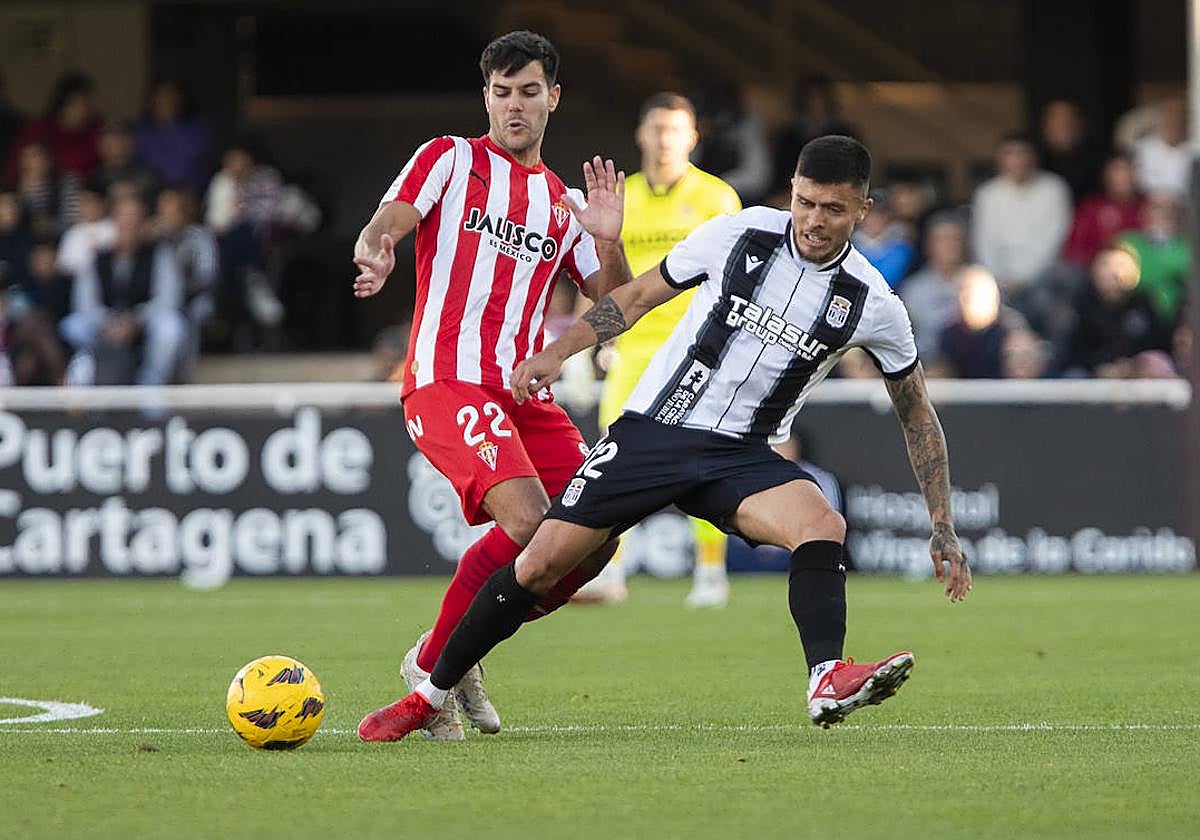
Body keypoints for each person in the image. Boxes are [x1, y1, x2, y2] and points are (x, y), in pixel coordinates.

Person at [358, 135, 972, 742]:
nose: (813, 220)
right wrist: (558, 351)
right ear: (791, 190)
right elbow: (635, 297)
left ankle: (826, 677)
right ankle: (429, 693)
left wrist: (941, 523)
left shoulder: (873, 302)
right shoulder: (742, 233)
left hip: (741, 457)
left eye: (833, 209)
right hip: (654, 433)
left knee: (822, 523)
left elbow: (917, 414)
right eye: (805, 202)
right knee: (539, 563)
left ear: (862, 209)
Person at [350, 31, 630, 741]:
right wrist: (376, 250)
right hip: (447, 381)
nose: (514, 106)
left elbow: (616, 307)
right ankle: (438, 668)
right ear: (486, 97)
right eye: (502, 92)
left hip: (525, 394)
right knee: (535, 526)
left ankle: (447, 649)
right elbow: (388, 222)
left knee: (596, 540)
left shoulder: (564, 203)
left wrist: (606, 240)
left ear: (552, 98)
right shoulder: (449, 159)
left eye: (528, 92)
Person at [590, 91, 741, 607]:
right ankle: (611, 571)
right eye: (656, 128)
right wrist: (592, 341)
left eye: (674, 130)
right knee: (612, 456)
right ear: (640, 134)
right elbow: (600, 274)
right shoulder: (622, 197)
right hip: (634, 349)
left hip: (696, 349)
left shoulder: (717, 198)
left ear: (692, 138)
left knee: (703, 457)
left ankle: (711, 572)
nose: (664, 139)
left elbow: (733, 280)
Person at [59, 194, 186, 386]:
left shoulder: (159, 253)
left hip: (144, 324)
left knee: (171, 326)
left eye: (134, 219)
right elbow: (84, 302)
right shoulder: (98, 255)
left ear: (144, 224)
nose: (128, 224)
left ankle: (151, 385)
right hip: (106, 325)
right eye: (123, 218)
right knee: (72, 326)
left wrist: (136, 320)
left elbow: (168, 299)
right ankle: (87, 375)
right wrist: (108, 322)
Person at [970, 133, 1072, 331]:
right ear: (1000, 159)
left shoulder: (1054, 189)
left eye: (1022, 153)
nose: (1017, 160)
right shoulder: (987, 194)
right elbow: (983, 243)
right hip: (997, 280)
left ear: (1034, 157)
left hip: (1044, 277)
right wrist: (998, 278)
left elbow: (1054, 240)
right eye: (1010, 154)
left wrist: (1023, 278)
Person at [899, 212, 967, 361]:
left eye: (955, 239)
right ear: (929, 245)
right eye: (942, 239)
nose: (950, 245)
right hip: (927, 362)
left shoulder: (977, 283)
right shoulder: (913, 290)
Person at [1064, 152, 1143, 268]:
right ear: (1106, 175)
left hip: (1138, 270)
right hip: (1089, 269)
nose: (1123, 176)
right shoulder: (1091, 206)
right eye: (1117, 170)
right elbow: (1074, 248)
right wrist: (1100, 258)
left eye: (1127, 170)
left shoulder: (1146, 207)